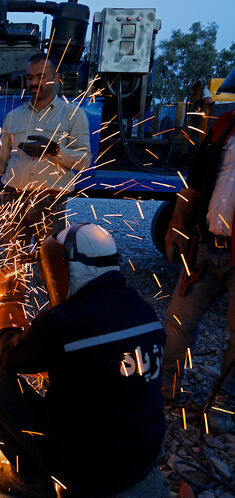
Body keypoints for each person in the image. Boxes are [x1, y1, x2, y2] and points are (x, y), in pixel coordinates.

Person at [0, 223, 166, 497]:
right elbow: (88, 360)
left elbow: (9, 356)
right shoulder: (143, 310)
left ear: (67, 267)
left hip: (87, 472)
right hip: (143, 459)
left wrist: (7, 298)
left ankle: (29, 479)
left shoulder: (64, 323)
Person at [161, 67, 235, 424]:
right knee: (178, 318)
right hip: (206, 247)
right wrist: (177, 225)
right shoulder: (222, 129)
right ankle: (164, 391)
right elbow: (194, 183)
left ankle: (222, 406)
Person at [0, 53, 91, 259]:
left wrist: (53, 150)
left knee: (52, 263)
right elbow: (2, 160)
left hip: (49, 202)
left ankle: (53, 291)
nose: (34, 82)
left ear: (57, 78)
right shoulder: (14, 116)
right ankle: (14, 292)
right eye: (30, 77)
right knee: (12, 264)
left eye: (41, 76)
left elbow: (84, 161)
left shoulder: (73, 115)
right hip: (12, 200)